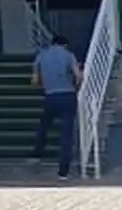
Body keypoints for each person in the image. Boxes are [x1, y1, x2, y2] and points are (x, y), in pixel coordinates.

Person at [32, 34, 83, 179]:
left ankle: (37, 152)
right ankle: (63, 171)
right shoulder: (69, 55)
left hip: (50, 96)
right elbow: (78, 76)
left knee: (44, 125)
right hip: (67, 95)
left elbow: (35, 80)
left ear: (52, 43)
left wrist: (44, 86)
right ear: (65, 45)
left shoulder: (41, 56)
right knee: (66, 134)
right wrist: (76, 87)